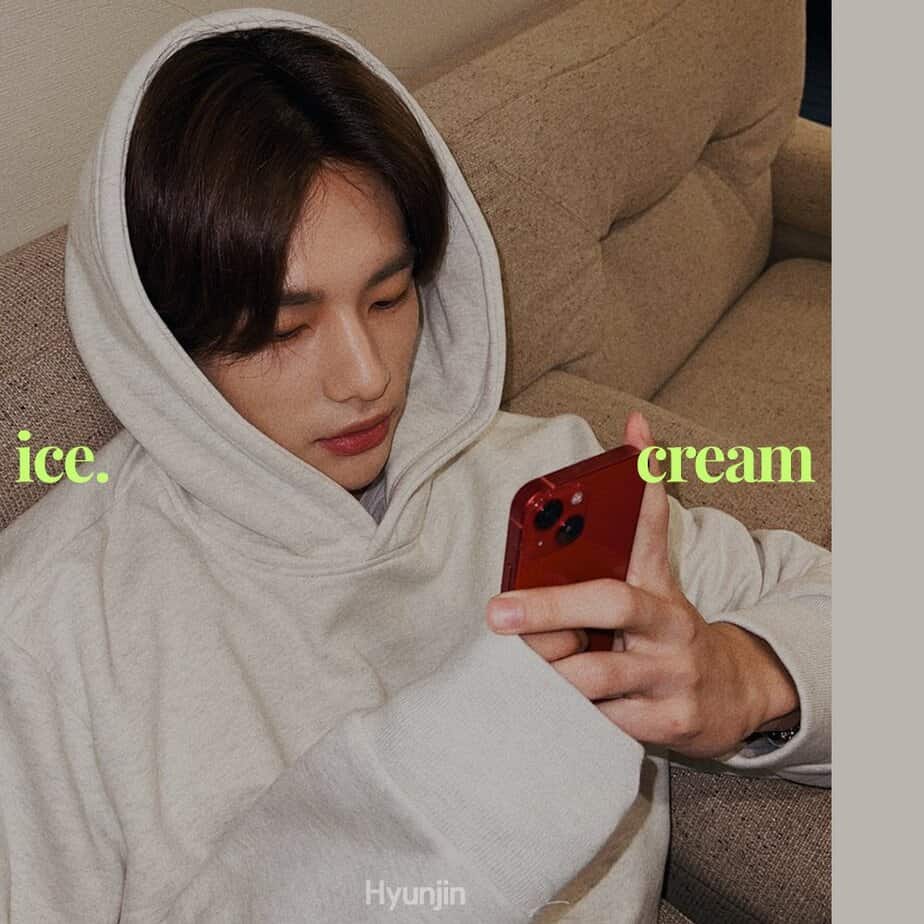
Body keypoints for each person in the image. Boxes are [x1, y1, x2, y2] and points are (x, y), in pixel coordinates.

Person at [0, 9, 830, 923]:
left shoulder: (537, 480)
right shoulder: (48, 633)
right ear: (161, 345)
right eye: (281, 330)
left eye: (389, 297)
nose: (367, 379)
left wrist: (744, 677)